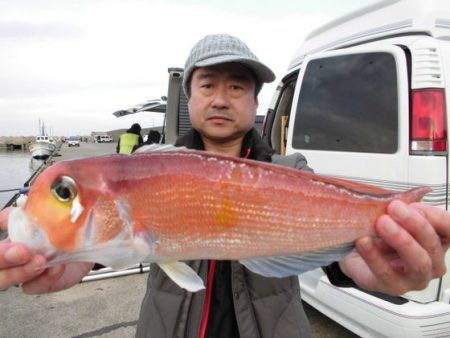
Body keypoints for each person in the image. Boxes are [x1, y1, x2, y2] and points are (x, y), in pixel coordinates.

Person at [0, 34, 449, 337]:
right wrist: (79, 260)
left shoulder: (292, 169)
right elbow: (124, 241)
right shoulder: (144, 167)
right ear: (189, 96)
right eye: (208, 84)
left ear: (255, 102)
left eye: (237, 86)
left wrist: (365, 265)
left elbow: (334, 254)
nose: (220, 98)